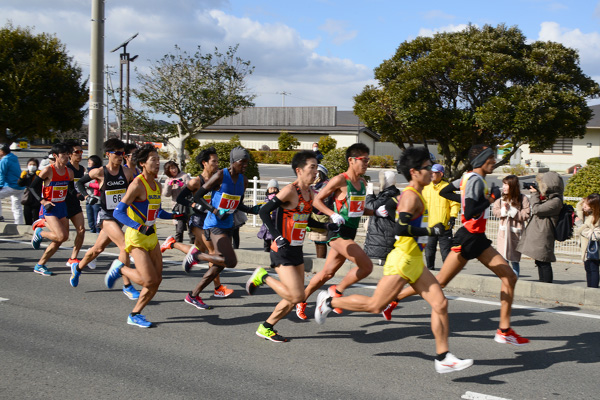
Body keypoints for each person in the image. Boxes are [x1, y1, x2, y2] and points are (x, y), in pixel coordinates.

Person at [313, 147, 473, 374]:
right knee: (375, 305)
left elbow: (393, 208)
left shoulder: (416, 192)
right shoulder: (409, 196)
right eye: (427, 168)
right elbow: (402, 228)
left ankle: (443, 356)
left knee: (440, 304)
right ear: (415, 172)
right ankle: (329, 302)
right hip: (402, 260)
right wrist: (432, 230)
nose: (431, 171)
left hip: (415, 260)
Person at [389, 144, 529, 346]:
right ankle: (394, 298)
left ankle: (504, 330)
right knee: (441, 282)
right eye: (491, 158)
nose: (494, 162)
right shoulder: (474, 180)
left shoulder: (467, 178)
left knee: (508, 276)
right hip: (468, 237)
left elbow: (446, 191)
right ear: (481, 160)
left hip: (477, 237)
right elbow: (471, 211)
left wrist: (466, 199)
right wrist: (492, 197)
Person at [296, 143, 388, 320]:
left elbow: (358, 209)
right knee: (366, 266)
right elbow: (317, 201)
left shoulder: (362, 182)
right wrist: (333, 214)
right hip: (338, 233)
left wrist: (375, 212)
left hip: (350, 232)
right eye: (363, 159)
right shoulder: (340, 180)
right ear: (351, 160)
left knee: (327, 273)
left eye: (368, 159)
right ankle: (336, 291)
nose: (367, 163)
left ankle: (301, 299)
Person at [245, 150, 325, 342]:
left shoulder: (311, 193)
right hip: (281, 249)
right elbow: (264, 211)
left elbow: (305, 220)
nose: (315, 172)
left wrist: (328, 225)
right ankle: (262, 276)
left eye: (316, 168)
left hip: (296, 248)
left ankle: (266, 327)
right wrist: (277, 236)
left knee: (295, 297)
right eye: (312, 168)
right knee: (297, 296)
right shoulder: (290, 190)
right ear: (299, 170)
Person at [104, 144, 187, 327]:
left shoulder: (156, 185)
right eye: (153, 160)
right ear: (142, 163)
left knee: (156, 280)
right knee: (148, 280)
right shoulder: (136, 184)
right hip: (137, 238)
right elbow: (118, 213)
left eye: (158, 159)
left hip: (152, 237)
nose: (158, 163)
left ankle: (135, 314)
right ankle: (120, 269)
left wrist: (175, 215)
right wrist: (139, 227)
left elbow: (156, 212)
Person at [181, 146, 261, 310]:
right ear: (233, 161)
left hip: (228, 226)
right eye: (242, 162)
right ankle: (197, 255)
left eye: (247, 162)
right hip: (213, 225)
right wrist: (215, 210)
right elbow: (197, 196)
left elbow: (238, 203)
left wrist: (251, 210)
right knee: (231, 261)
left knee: (219, 265)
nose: (245, 165)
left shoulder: (243, 181)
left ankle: (193, 295)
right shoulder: (220, 175)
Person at [70, 138, 139, 299]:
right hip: (106, 216)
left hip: (121, 216)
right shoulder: (99, 172)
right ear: (108, 154)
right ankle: (127, 285)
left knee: (97, 249)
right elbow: (79, 183)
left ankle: (78, 268)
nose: (121, 156)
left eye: (122, 153)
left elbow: (131, 193)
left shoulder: (127, 172)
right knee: (125, 246)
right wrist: (87, 197)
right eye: (117, 153)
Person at [166, 147, 233, 298]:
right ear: (204, 163)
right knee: (213, 253)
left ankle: (172, 243)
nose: (217, 164)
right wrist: (194, 204)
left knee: (198, 250)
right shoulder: (196, 181)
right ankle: (218, 288)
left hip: (212, 219)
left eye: (217, 161)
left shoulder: (218, 179)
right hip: (198, 220)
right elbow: (181, 198)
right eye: (213, 161)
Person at [29, 143, 74, 276]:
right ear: (55, 156)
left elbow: (70, 189)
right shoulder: (48, 170)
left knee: (62, 238)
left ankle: (40, 265)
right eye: (64, 154)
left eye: (68, 154)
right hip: (49, 207)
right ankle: (40, 232)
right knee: (60, 236)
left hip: (62, 207)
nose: (67, 157)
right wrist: (43, 201)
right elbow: (32, 187)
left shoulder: (69, 172)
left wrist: (80, 195)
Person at [516, 172, 564, 283]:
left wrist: (534, 194)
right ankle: (542, 283)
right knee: (540, 261)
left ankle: (546, 285)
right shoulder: (551, 198)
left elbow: (537, 209)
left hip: (545, 234)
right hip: (541, 233)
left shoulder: (556, 201)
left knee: (544, 261)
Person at [422, 164, 460, 271]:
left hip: (444, 227)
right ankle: (430, 271)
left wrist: (453, 217)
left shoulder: (446, 187)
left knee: (446, 252)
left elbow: (455, 204)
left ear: (441, 174)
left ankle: (448, 273)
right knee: (429, 252)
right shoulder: (426, 188)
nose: (431, 174)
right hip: (430, 227)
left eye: (433, 172)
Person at [492, 175, 530, 277]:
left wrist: (512, 210)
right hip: (503, 233)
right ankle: (505, 281)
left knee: (514, 260)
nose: (503, 187)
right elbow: (495, 211)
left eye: (506, 184)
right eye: (503, 184)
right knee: (503, 259)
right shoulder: (501, 199)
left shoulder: (523, 198)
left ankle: (513, 281)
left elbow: (526, 215)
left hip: (515, 234)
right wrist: (504, 211)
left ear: (512, 186)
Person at [364, 170, 401, 265]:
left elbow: (371, 206)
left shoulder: (387, 194)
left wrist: (369, 194)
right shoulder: (393, 192)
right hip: (385, 232)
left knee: (385, 264)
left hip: (383, 233)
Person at [64, 141, 87, 267]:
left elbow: (80, 185)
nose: (79, 154)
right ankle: (40, 231)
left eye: (81, 151)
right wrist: (76, 194)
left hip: (75, 204)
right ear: (69, 155)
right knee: (63, 236)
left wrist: (83, 193)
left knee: (81, 230)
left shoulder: (81, 169)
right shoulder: (67, 168)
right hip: (64, 203)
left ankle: (73, 257)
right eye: (76, 152)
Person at [162, 160, 192, 243]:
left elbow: (191, 188)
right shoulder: (168, 180)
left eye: (174, 167)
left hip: (187, 204)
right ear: (168, 171)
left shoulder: (184, 176)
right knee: (179, 225)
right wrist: (169, 185)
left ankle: (193, 241)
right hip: (176, 205)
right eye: (171, 168)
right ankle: (179, 242)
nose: (174, 170)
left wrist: (182, 185)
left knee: (190, 224)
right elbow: (166, 194)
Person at [306, 164, 331, 259]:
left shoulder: (325, 185)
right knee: (317, 241)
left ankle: (321, 263)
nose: (314, 175)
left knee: (321, 241)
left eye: (316, 173)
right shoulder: (317, 184)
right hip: (316, 216)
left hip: (322, 216)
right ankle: (319, 262)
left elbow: (322, 200)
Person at [575, 194, 600, 288]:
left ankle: (592, 291)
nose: (584, 206)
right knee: (588, 269)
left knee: (593, 270)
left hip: (593, 249)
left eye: (587, 205)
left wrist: (580, 226)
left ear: (594, 207)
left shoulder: (596, 218)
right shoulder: (589, 215)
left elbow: (596, 235)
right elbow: (580, 206)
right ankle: (590, 289)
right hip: (587, 249)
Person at [0, 143, 24, 224]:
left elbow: (1, 174)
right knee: (17, 206)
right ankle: (19, 224)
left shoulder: (4, 160)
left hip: (11, 186)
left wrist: (0, 185)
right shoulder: (14, 157)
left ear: (2, 151)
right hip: (20, 186)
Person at [257, 179, 279, 251]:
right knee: (266, 241)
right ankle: (266, 252)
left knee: (275, 241)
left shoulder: (278, 199)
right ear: (268, 190)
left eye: (275, 188)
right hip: (267, 224)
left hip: (275, 222)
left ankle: (274, 252)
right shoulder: (266, 199)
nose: (273, 190)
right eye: (271, 188)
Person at [18, 158, 41, 226]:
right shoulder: (26, 174)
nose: (32, 166)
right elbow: (20, 184)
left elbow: (42, 183)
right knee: (27, 216)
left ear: (37, 166)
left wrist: (39, 176)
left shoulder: (39, 173)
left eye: (34, 164)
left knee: (36, 217)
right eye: (30, 164)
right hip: (27, 199)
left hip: (37, 198)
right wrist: (21, 178)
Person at [85, 155, 103, 233]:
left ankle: (98, 231)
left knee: (97, 217)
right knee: (90, 217)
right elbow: (82, 182)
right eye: (88, 161)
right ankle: (92, 230)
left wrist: (88, 184)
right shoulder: (86, 171)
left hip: (97, 199)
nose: (88, 162)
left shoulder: (100, 171)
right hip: (88, 197)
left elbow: (100, 185)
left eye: (90, 161)